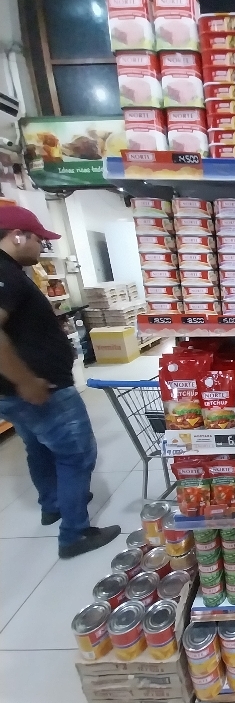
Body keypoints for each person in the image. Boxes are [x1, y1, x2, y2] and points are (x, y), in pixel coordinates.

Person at [0, 205, 120, 558]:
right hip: (40, 389)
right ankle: (74, 534)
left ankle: (53, 505)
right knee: (76, 455)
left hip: (15, 392)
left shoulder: (13, 273)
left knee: (37, 447)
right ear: (17, 236)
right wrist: (26, 381)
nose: (42, 247)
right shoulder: (5, 273)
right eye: (39, 240)